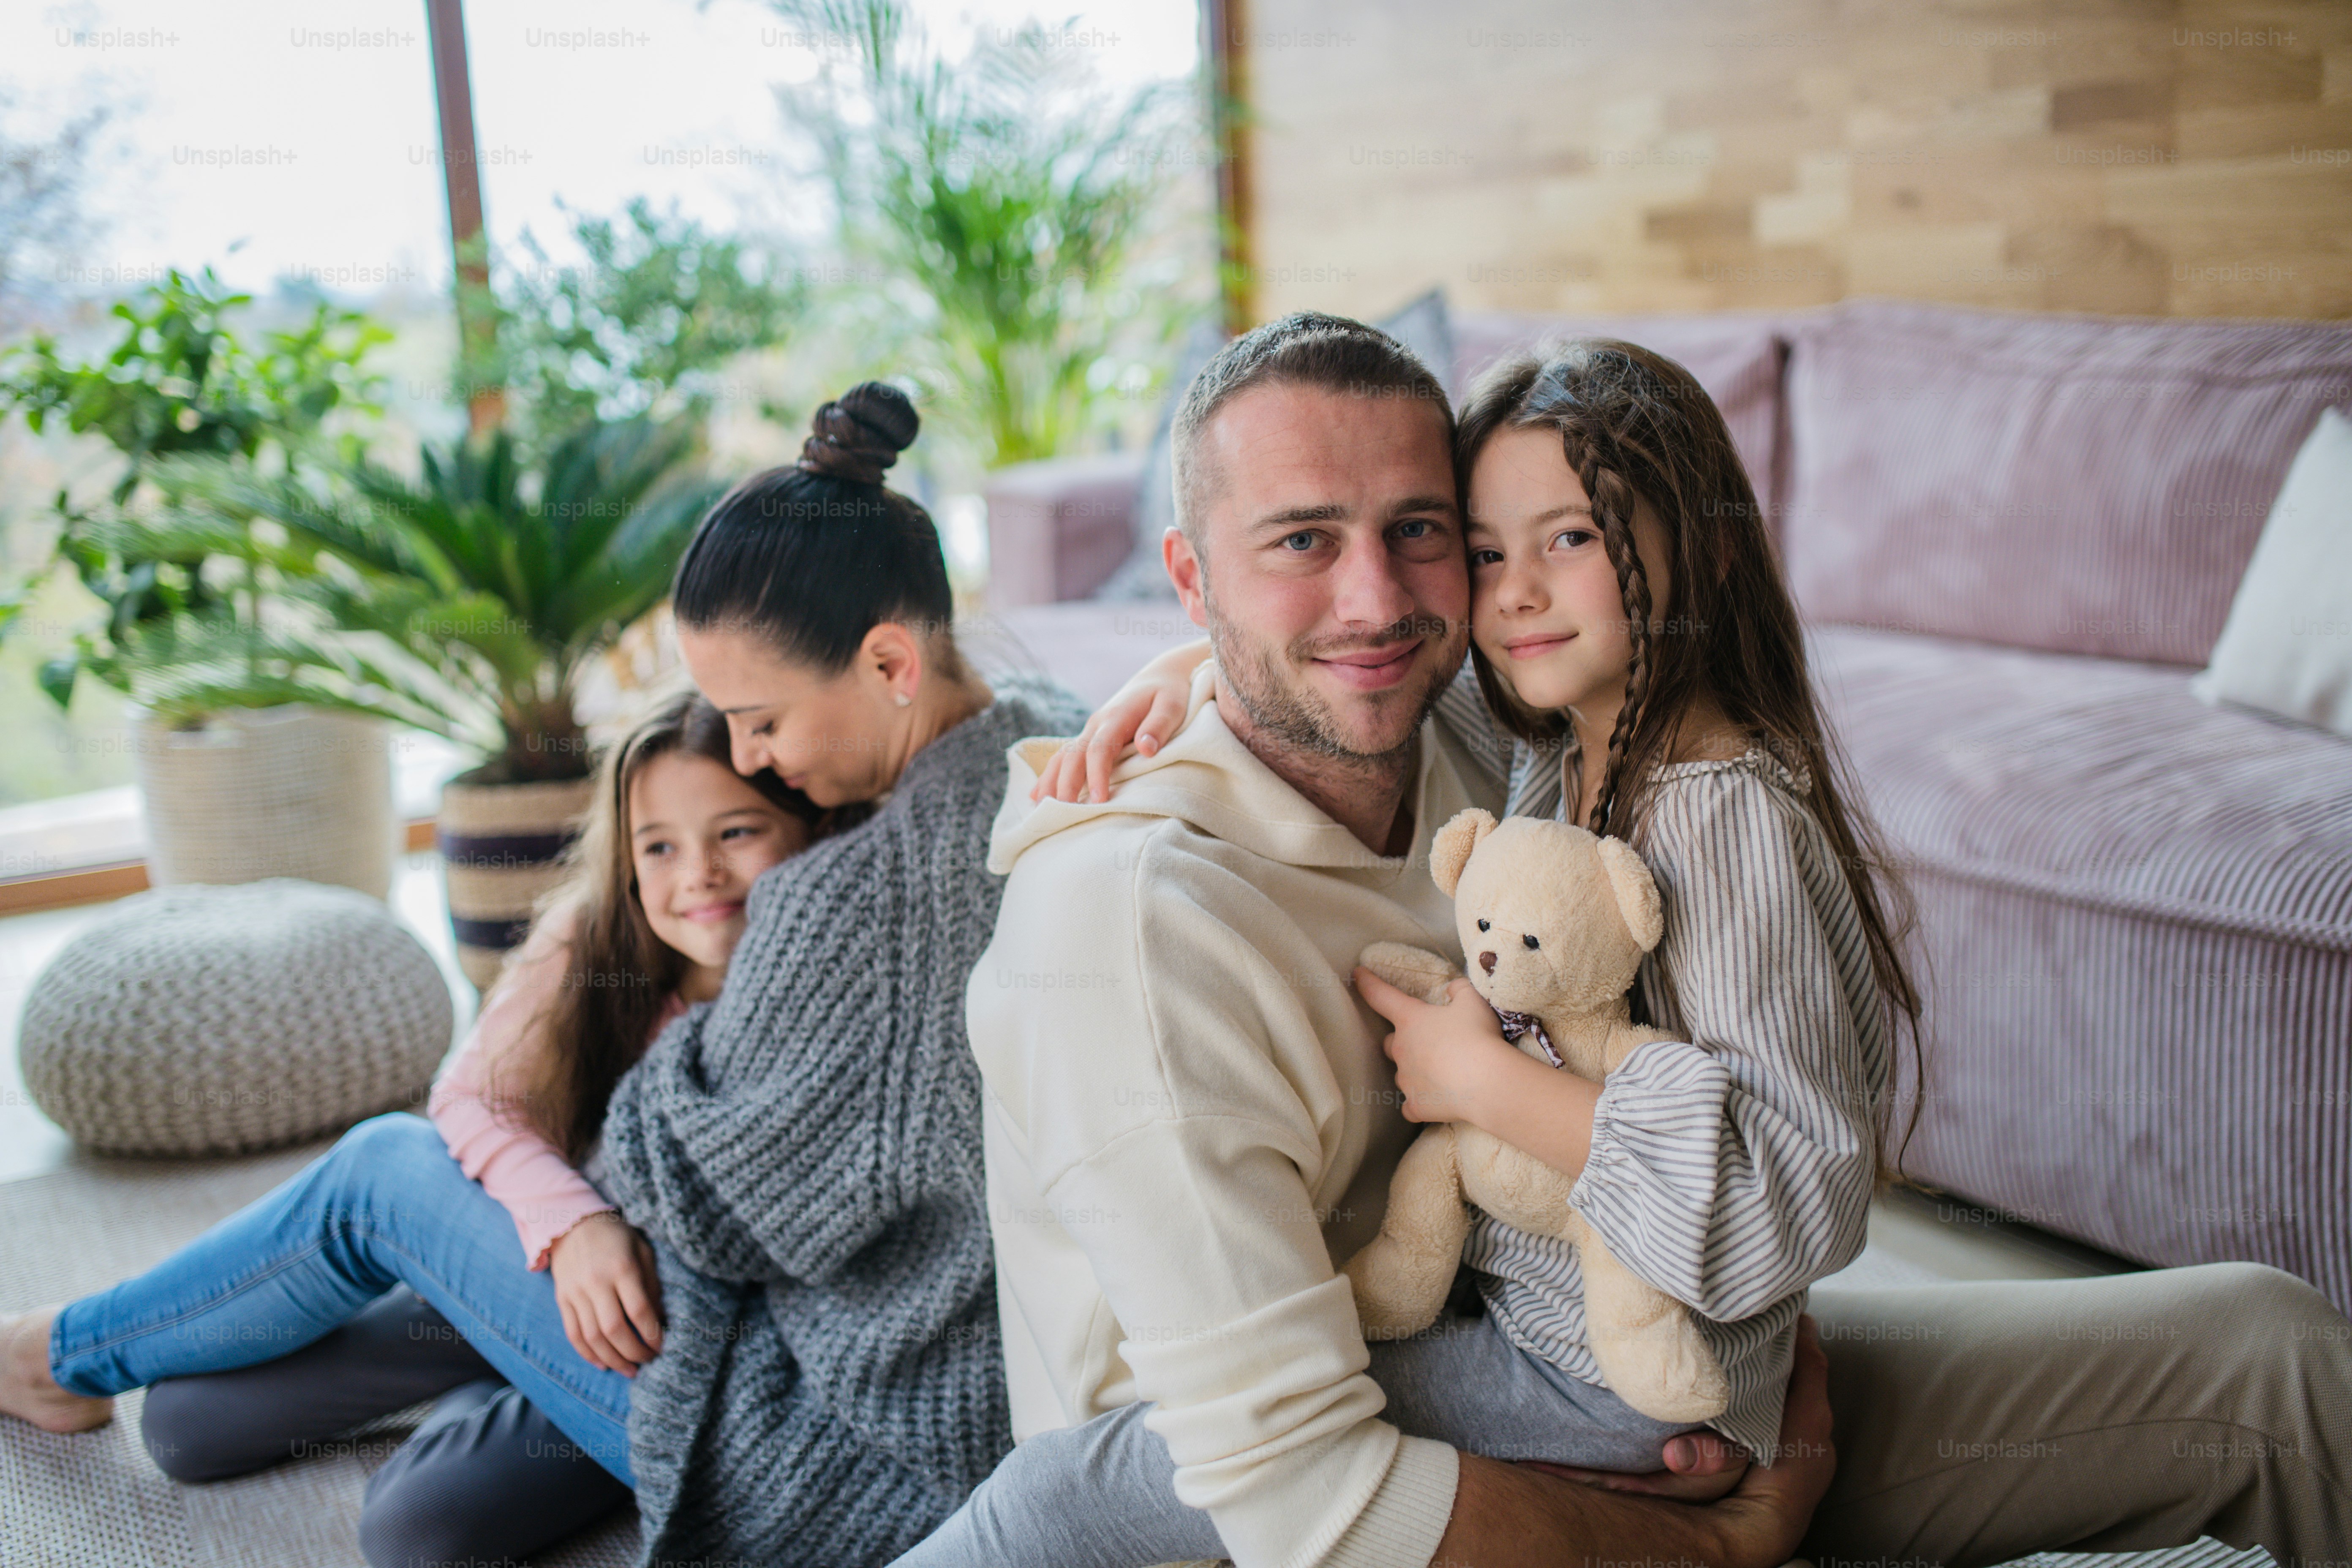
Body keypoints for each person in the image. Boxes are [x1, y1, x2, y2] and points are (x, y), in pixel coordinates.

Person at [939, 313, 2352, 1568]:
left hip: (1612, 1352)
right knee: (1045, 1518)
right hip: (1348, 1512)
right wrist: (1732, 1546)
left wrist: (1195, 664)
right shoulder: (1128, 928)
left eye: (1421, 531)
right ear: (1192, 575)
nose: (1376, 601)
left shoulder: (1476, 730)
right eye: (1299, 540)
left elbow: (1361, 662)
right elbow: (1304, 1505)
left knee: (2272, 1351)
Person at [1, 382, 1092, 1568]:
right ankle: (451, 1329)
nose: (749, 756)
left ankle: (49, 1353)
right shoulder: (1054, 743)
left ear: (889, 661)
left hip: (797, 1426)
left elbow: (684, 1190)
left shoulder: (856, 894)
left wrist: (665, 1078)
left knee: (381, 1174)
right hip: (849, 1383)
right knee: (199, 1424)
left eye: (761, 719)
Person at [1, 691, 820, 1568]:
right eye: (658, 845)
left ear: (810, 834)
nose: (696, 871)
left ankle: (56, 1349)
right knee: (187, 1425)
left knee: (416, 1527)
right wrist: (572, 1222)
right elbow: (470, 1099)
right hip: (573, 1292)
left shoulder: (812, 989)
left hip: (687, 1370)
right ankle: (74, 1358)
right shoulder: (603, 937)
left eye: (738, 832)